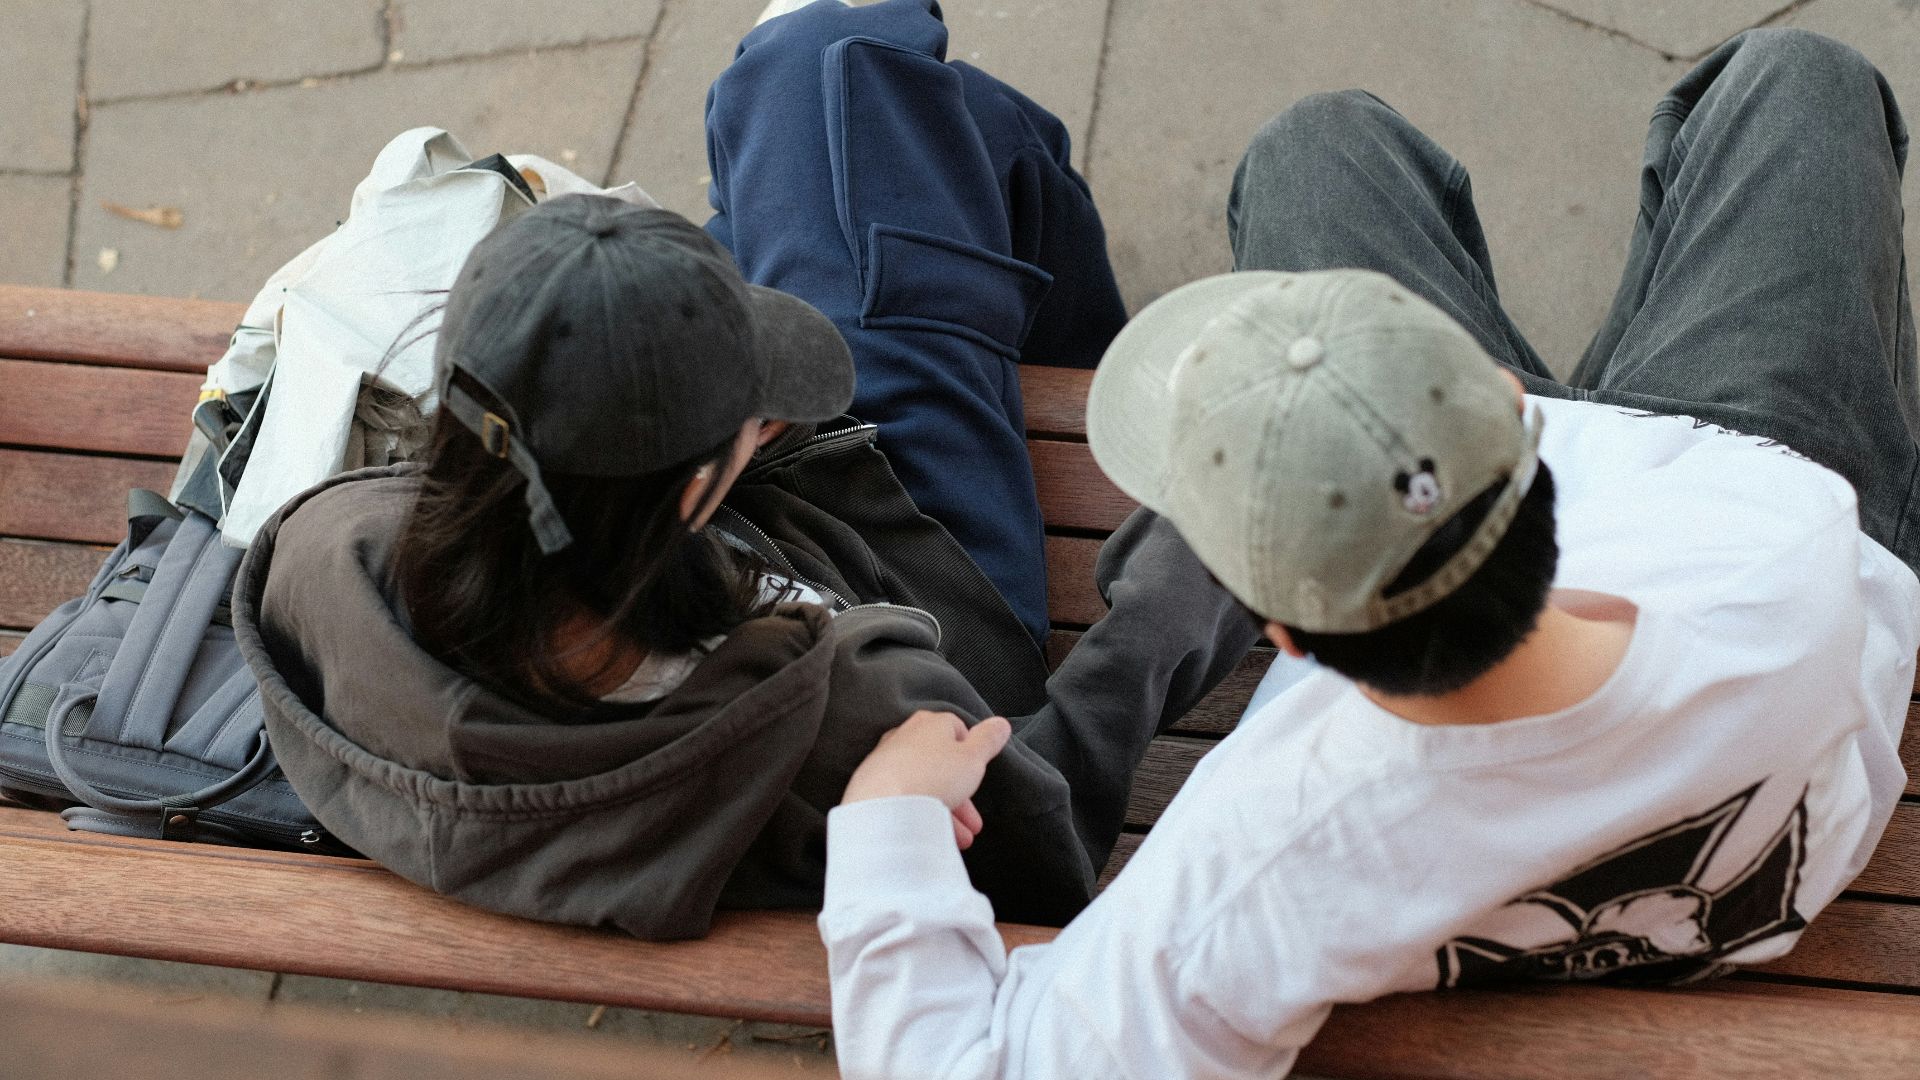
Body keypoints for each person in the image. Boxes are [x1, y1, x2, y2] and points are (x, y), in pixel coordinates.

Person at [818, 28, 1920, 1079]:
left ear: (1277, 628)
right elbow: (1751, 504)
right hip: (1712, 484)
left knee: (1317, 144)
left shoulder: (1263, 848)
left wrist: (889, 821)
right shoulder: (1794, 552)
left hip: (1596, 500)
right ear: (1510, 405)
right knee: (1801, 76)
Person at [231, 0, 1146, 939]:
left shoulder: (321, 555)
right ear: (696, 492)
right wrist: (1173, 593)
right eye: (756, 416)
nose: (777, 413)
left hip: (728, 589)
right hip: (933, 595)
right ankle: (1080, 338)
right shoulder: (851, 709)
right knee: (832, 70)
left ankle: (948, 156)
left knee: (863, 109)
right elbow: (1050, 846)